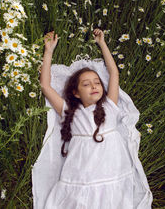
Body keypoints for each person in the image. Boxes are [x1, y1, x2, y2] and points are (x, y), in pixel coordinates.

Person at [32, 28, 153, 208]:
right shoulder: (70, 111)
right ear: (76, 92)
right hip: (83, 169)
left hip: (112, 166)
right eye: (86, 84)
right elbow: (45, 86)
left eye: (97, 82)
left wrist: (102, 43)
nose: (94, 86)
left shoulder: (110, 106)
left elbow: (114, 73)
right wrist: (48, 51)